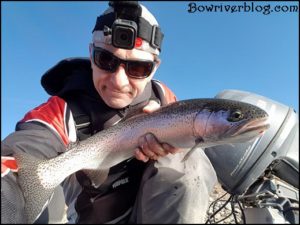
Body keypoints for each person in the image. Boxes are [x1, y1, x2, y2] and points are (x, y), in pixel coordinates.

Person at [1, 1, 217, 224]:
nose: (119, 82)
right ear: (91, 54)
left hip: (157, 212)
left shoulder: (165, 98)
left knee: (189, 157)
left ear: (154, 68)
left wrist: (171, 139)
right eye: (106, 60)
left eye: (138, 68)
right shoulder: (60, 110)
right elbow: (21, 149)